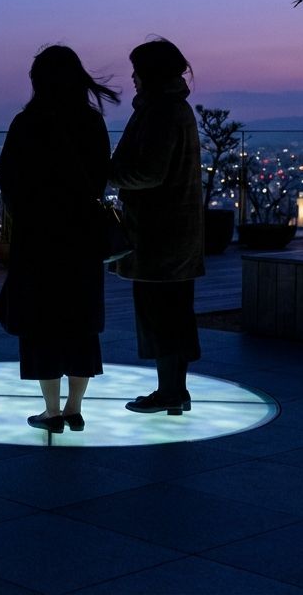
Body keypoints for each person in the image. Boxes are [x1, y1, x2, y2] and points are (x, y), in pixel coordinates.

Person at [0, 45, 119, 433]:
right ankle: (75, 408)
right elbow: (101, 176)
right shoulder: (91, 122)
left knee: (41, 322)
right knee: (80, 321)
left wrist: (27, 213)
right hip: (81, 234)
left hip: (38, 236)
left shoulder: (27, 122)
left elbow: (9, 178)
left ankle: (51, 412)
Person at [108, 37, 204, 415]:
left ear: (149, 73)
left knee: (160, 313)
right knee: (175, 312)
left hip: (158, 233)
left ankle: (169, 391)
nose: (132, 78)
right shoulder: (174, 108)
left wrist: (109, 172)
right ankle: (174, 390)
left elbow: (148, 172)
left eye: (136, 70)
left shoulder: (160, 111)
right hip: (175, 233)